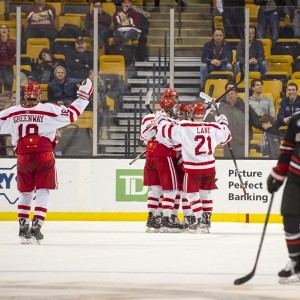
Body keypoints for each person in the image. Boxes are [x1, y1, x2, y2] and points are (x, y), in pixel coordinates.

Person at [0, 79, 94, 244]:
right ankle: (37, 225)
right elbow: (72, 115)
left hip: (23, 156)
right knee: (43, 191)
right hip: (44, 154)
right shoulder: (48, 109)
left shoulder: (12, 112)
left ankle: (23, 227)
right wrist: (83, 98)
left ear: (24, 94)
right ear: (39, 94)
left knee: (25, 193)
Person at [154, 102, 232, 233]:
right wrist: (223, 122)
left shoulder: (185, 126)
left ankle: (200, 218)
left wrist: (160, 119)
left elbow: (166, 130)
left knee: (191, 194)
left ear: (191, 114)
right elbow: (226, 137)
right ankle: (206, 222)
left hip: (193, 168)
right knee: (206, 194)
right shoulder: (213, 126)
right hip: (209, 167)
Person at [266, 110, 300, 284]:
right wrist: (278, 175)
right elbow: (287, 149)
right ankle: (297, 262)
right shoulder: (296, 120)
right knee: (289, 213)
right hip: (296, 177)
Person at [140, 97, 181, 233]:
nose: (176, 109)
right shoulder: (171, 122)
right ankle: (167, 220)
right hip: (164, 156)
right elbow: (177, 143)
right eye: (175, 107)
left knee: (155, 190)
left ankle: (152, 219)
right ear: (170, 108)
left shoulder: (149, 118)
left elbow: (143, 138)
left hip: (150, 155)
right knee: (171, 190)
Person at [218, 81, 262, 158]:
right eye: (228, 93)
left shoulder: (244, 107)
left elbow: (256, 121)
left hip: (242, 144)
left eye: (232, 93)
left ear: (236, 94)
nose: (230, 95)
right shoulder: (221, 108)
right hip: (228, 144)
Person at [200, 28, 233, 92]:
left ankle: (230, 86)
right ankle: (203, 88)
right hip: (211, 66)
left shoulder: (227, 45)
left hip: (222, 66)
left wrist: (221, 62)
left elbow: (229, 58)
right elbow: (203, 58)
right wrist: (211, 61)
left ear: (223, 36)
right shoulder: (208, 45)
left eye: (220, 35)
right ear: (213, 36)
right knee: (203, 66)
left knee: (229, 66)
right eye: (216, 35)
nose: (218, 37)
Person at [0, 25, 16, 92]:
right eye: (1, 28)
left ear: (8, 32)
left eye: (5, 28)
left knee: (8, 89)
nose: (3, 29)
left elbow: (12, 53)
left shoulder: (13, 41)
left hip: (8, 67)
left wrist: (6, 42)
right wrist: (2, 42)